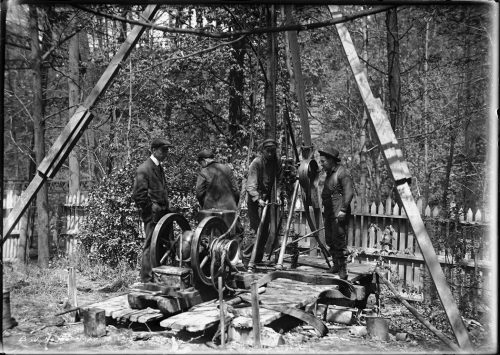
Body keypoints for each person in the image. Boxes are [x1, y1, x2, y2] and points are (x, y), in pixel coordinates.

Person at [132, 137, 172, 282]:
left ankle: (158, 276)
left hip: (163, 214)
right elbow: (138, 195)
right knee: (150, 245)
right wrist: (151, 209)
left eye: (167, 150)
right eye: (163, 150)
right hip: (153, 215)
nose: (166, 153)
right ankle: (146, 279)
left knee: (161, 245)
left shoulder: (159, 167)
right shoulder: (144, 168)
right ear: (153, 150)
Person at [318, 146, 354, 280]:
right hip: (328, 211)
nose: (321, 164)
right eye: (320, 162)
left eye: (323, 161)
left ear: (331, 160)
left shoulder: (342, 172)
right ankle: (336, 265)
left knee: (339, 239)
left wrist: (344, 210)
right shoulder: (328, 174)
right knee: (329, 239)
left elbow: (349, 192)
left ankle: (343, 270)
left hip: (339, 211)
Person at [244, 138, 282, 264]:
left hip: (266, 198)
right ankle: (247, 258)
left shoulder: (276, 162)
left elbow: (279, 179)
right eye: (268, 151)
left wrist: (277, 194)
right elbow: (250, 185)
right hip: (255, 198)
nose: (270, 154)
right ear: (263, 150)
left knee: (264, 230)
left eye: (273, 151)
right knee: (256, 230)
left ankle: (257, 258)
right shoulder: (257, 163)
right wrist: (258, 198)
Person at [195, 148, 240, 230]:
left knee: (210, 235)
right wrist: (233, 205)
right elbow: (236, 191)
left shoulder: (204, 172)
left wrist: (205, 206)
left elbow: (199, 193)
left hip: (211, 211)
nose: (200, 165)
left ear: (204, 160)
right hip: (229, 209)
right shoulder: (227, 169)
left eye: (200, 163)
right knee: (232, 233)